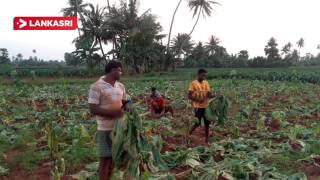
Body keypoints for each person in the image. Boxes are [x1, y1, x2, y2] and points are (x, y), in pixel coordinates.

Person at [88, 60, 128, 180]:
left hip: (120, 129)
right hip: (105, 129)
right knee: (105, 160)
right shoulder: (96, 87)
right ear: (113, 70)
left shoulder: (121, 86)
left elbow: (124, 103)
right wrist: (114, 113)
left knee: (118, 159)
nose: (121, 73)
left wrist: (128, 107)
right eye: (120, 70)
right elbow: (93, 109)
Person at [188, 68, 217, 143]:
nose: (204, 77)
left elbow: (208, 94)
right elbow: (189, 96)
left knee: (207, 123)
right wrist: (199, 100)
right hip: (198, 107)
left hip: (206, 107)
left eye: (205, 76)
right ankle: (188, 135)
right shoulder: (193, 83)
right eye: (203, 75)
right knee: (197, 123)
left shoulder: (206, 83)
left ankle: (207, 140)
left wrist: (214, 95)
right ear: (198, 74)